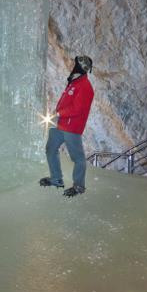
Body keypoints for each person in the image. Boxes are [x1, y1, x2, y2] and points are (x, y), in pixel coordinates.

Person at [40, 55, 94, 197]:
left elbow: (78, 109)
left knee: (78, 158)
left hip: (72, 127)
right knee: (50, 149)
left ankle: (78, 187)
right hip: (60, 124)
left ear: (81, 66)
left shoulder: (85, 87)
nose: (72, 64)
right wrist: (57, 113)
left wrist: (59, 112)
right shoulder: (74, 82)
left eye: (75, 63)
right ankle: (56, 179)